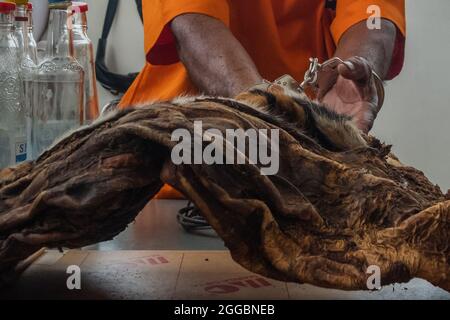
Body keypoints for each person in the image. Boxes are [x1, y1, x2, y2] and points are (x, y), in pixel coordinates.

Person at [118, 0, 405, 198]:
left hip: (310, 172)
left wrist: (353, 70)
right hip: (180, 168)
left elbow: (373, 16)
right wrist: (267, 111)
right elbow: (191, 18)